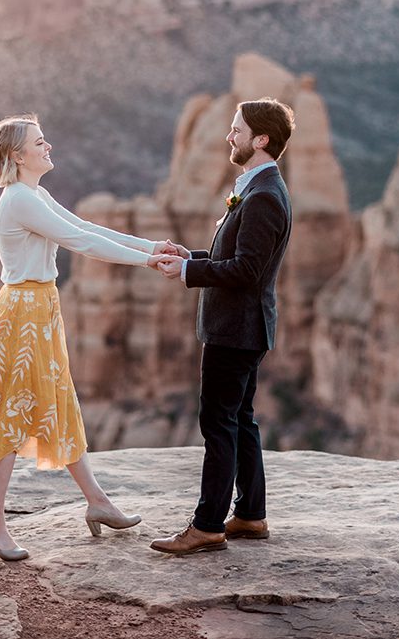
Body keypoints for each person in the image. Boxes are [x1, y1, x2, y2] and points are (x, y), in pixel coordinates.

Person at [0, 114, 175, 561]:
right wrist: (146, 264)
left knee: (57, 402)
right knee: (13, 413)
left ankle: (98, 502)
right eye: (39, 142)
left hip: (41, 308)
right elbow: (80, 243)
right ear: (18, 155)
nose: (48, 146)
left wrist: (152, 247)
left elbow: (89, 228)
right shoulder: (18, 200)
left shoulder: (35, 193)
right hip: (23, 314)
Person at [151, 98, 295, 556]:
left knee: (218, 424)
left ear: (261, 139)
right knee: (241, 421)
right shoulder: (258, 188)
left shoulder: (265, 196)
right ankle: (251, 516)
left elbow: (247, 270)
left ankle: (207, 525)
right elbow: (234, 259)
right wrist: (188, 258)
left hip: (235, 330)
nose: (228, 137)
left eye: (236, 130)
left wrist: (190, 274)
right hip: (242, 328)